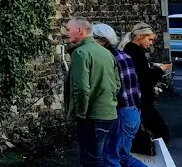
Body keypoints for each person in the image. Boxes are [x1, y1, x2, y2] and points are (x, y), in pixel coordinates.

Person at [65, 17, 120, 167]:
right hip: (109, 114)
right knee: (105, 157)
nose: (66, 33)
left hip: (93, 116)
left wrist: (80, 114)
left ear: (80, 30)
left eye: (68, 29)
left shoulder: (80, 53)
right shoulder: (106, 52)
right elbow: (117, 83)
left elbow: (82, 89)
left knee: (92, 160)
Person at [92, 23, 145, 167]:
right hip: (132, 111)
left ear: (102, 40)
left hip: (122, 113)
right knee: (123, 157)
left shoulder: (108, 59)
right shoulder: (123, 55)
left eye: (92, 40)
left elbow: (111, 89)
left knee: (111, 158)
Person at [120, 23, 172, 153]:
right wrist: (160, 70)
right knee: (161, 131)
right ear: (140, 36)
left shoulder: (128, 49)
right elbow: (145, 79)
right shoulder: (136, 52)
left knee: (137, 134)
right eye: (149, 39)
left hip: (134, 100)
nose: (151, 43)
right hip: (140, 100)